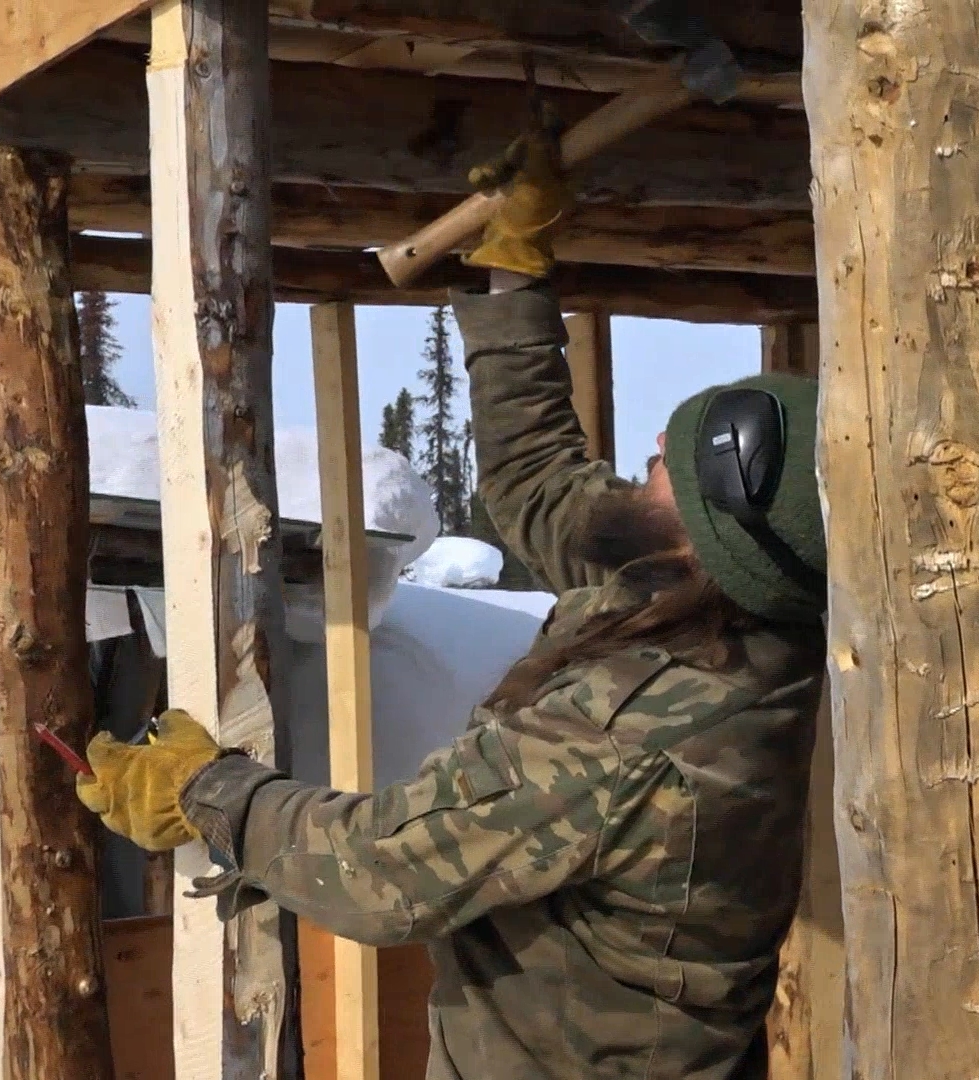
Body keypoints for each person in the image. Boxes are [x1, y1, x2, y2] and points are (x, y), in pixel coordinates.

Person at [75, 113, 828, 1080]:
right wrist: (516, 279)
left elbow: (386, 870)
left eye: (669, 467)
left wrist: (205, 792)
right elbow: (541, 484)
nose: (650, 452)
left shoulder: (644, 729)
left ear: (711, 536)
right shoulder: (723, 611)